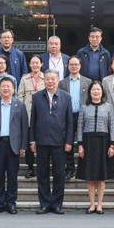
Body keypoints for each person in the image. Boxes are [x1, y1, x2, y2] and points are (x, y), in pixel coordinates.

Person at [29, 70, 73, 215]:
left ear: (58, 80)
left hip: (59, 142)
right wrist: (32, 140)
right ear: (44, 80)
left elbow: (69, 121)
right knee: (42, 174)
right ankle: (45, 203)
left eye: (53, 79)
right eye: (47, 79)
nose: (50, 81)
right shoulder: (37, 96)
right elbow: (33, 120)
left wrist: (69, 141)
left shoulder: (66, 97)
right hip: (41, 141)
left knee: (59, 174)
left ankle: (57, 204)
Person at [0, 77, 28, 214]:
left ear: (13, 89)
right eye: (3, 86)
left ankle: (11, 203)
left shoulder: (20, 105)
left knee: (12, 176)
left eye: (9, 86)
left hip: (13, 145)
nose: (6, 89)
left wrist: (23, 146)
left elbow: (24, 127)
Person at [76, 81, 114, 214]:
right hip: (88, 142)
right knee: (90, 176)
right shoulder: (84, 107)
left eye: (98, 89)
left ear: (102, 92)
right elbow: (80, 127)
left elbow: (112, 126)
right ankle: (92, 204)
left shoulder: (108, 107)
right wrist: (80, 145)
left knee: (101, 176)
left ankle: (100, 204)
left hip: (103, 142)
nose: (96, 92)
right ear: (90, 92)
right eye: (93, 89)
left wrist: (112, 145)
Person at [58, 56, 91, 180]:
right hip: (68, 115)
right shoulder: (62, 83)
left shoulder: (88, 82)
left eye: (76, 64)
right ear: (67, 66)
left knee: (85, 142)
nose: (74, 66)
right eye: (71, 64)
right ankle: (70, 169)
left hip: (83, 115)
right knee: (69, 142)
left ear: (80, 66)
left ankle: (85, 169)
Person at [17, 55, 44, 179]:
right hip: (27, 115)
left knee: (41, 143)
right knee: (29, 144)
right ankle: (30, 168)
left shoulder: (46, 78)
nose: (35, 65)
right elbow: (20, 96)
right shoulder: (24, 79)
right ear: (29, 64)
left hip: (42, 116)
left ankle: (41, 168)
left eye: (37, 63)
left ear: (41, 64)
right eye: (32, 63)